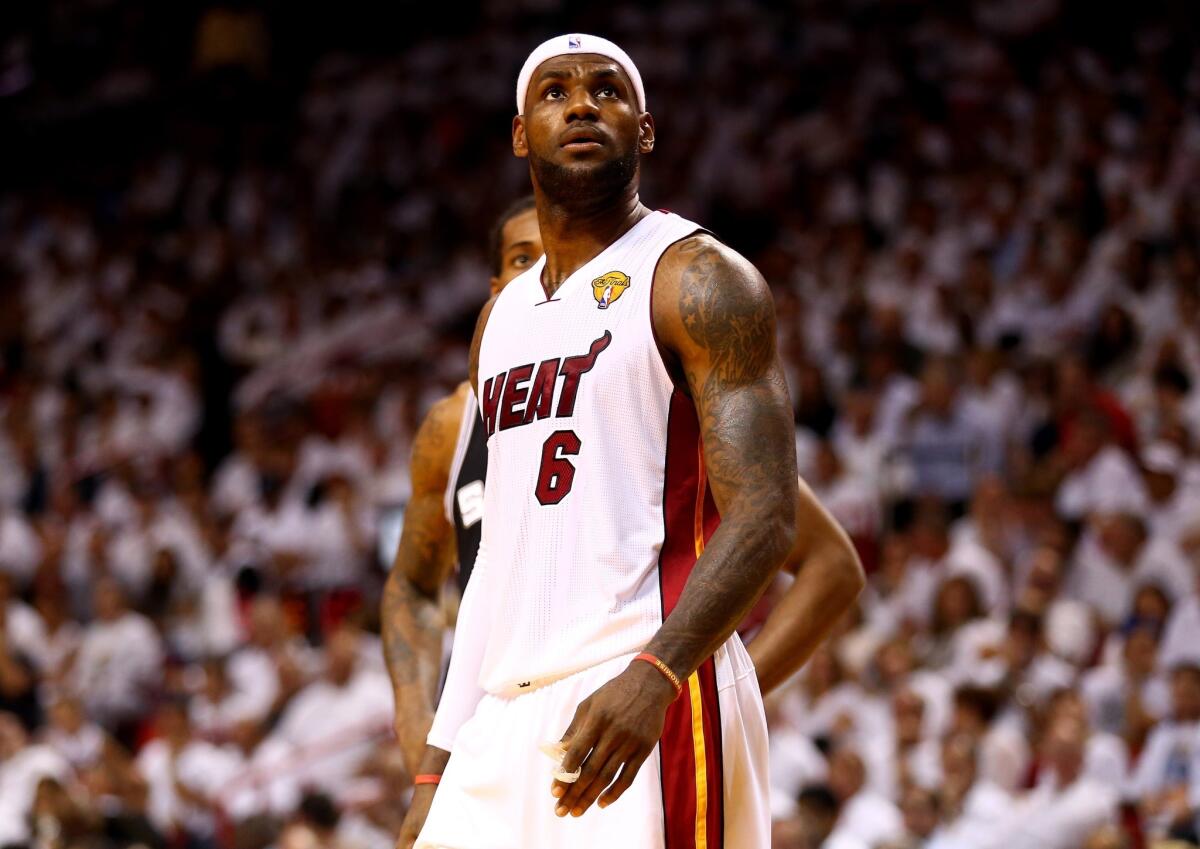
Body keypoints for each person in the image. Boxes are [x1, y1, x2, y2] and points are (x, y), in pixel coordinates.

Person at [403, 33, 861, 849]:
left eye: (606, 89)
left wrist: (660, 672)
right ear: (519, 134)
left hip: (640, 679)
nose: (581, 104)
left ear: (645, 129)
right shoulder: (498, 323)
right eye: (555, 92)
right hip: (502, 713)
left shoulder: (700, 277)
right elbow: (494, 564)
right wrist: (441, 761)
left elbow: (766, 516)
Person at [382, 195, 543, 772]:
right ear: (496, 283)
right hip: (488, 732)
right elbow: (412, 586)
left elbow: (819, 557)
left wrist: (689, 685)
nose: (544, 273)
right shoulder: (453, 424)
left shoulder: (646, 389)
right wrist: (413, 719)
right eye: (524, 259)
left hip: (612, 721)